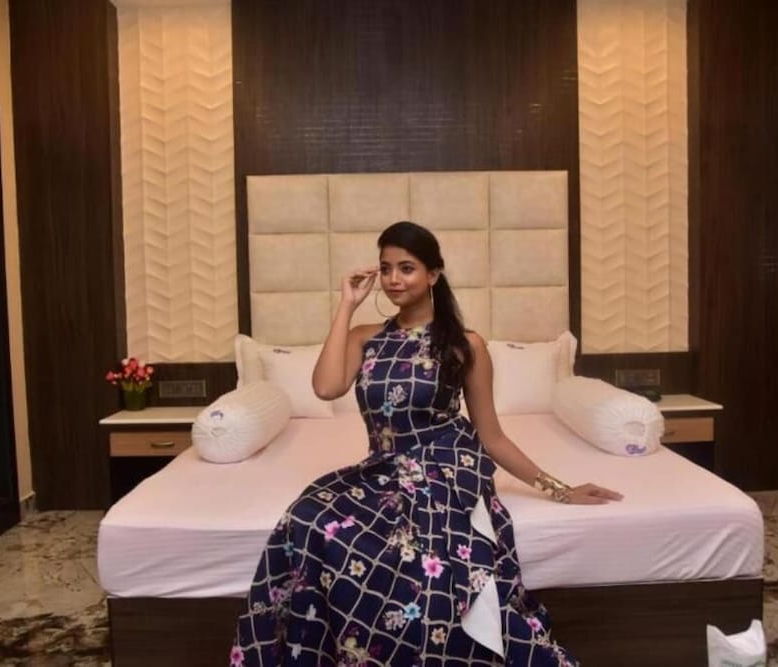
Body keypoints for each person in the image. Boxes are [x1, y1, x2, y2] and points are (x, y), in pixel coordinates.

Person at [231, 221, 622, 666]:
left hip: (446, 465)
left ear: (433, 274)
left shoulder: (463, 345)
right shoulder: (365, 337)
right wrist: (346, 305)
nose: (393, 279)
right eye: (386, 268)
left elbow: (491, 435)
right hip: (384, 467)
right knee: (308, 515)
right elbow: (325, 387)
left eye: (407, 268)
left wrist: (561, 490)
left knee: (420, 551)